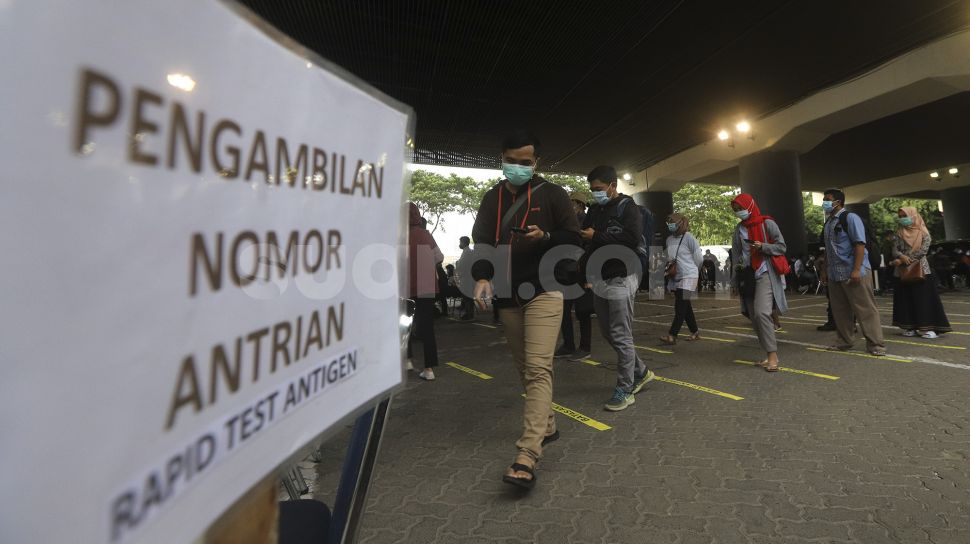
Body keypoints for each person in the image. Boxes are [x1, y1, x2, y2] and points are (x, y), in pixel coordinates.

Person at [469, 130, 580, 489]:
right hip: (506, 295)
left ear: (537, 163)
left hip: (546, 290)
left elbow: (573, 238)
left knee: (537, 367)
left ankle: (528, 452)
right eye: (512, 161)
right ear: (502, 158)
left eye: (525, 163)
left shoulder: (553, 195)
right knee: (524, 367)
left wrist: (545, 237)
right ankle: (547, 426)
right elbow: (482, 242)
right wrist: (482, 277)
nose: (518, 168)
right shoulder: (492, 199)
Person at [579, 165, 654, 412]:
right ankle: (641, 372)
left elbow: (632, 239)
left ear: (613, 185)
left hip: (623, 274)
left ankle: (626, 387)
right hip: (600, 276)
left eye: (599, 188)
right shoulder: (594, 210)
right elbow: (588, 243)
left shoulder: (627, 207)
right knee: (608, 332)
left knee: (621, 334)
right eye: (592, 189)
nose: (595, 193)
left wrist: (596, 236)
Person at [821, 189, 886, 356]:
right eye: (824, 199)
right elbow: (828, 250)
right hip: (835, 273)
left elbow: (859, 244)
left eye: (828, 199)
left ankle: (876, 345)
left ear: (839, 201)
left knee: (865, 310)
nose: (824, 202)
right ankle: (844, 341)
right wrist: (825, 271)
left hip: (854, 271)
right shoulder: (828, 223)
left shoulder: (850, 218)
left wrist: (856, 270)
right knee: (840, 311)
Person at [730, 194, 789, 372]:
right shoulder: (738, 229)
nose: (738, 213)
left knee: (762, 312)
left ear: (750, 206)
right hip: (747, 276)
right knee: (754, 317)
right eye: (735, 210)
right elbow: (737, 256)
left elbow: (782, 247)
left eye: (740, 208)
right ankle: (768, 354)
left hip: (765, 272)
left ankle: (772, 355)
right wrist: (734, 280)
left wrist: (763, 246)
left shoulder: (767, 223)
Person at [889, 207, 951, 338]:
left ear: (914, 216)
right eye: (900, 216)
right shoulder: (898, 233)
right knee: (905, 300)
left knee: (923, 300)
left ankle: (929, 328)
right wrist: (901, 257)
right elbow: (895, 250)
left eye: (904, 215)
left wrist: (906, 259)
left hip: (921, 270)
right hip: (902, 272)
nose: (902, 219)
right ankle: (909, 327)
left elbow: (923, 251)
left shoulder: (923, 232)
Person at [555, 192, 593, 359]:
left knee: (583, 311)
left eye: (571, 202)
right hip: (565, 271)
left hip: (581, 272)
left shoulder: (587, 221)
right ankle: (568, 345)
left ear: (579, 204)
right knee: (563, 310)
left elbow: (590, 248)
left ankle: (585, 347)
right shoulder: (564, 222)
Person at [407, 202, 442, 380]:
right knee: (428, 327)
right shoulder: (426, 235)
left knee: (404, 325)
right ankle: (429, 370)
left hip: (405, 288)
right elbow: (439, 257)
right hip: (428, 286)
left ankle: (408, 361)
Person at [659, 213, 702, 344]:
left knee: (680, 306)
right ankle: (695, 332)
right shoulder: (669, 239)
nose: (670, 225)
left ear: (681, 223)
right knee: (685, 306)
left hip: (689, 276)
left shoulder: (689, 238)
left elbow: (699, 259)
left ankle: (672, 335)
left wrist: (693, 272)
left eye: (673, 223)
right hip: (676, 276)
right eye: (669, 223)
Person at [456, 236, 476, 320]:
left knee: (468, 297)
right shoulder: (467, 251)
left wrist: (458, 263)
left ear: (464, 243)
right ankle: (468, 313)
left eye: (460, 242)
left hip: (467, 277)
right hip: (467, 276)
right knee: (467, 297)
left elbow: (461, 264)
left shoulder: (467, 252)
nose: (459, 244)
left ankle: (469, 315)